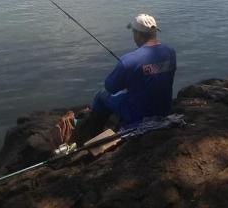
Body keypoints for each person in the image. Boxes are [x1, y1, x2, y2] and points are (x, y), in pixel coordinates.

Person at [73, 14, 177, 144]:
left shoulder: (129, 61)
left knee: (101, 95)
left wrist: (127, 73)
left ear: (137, 34)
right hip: (164, 110)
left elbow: (110, 87)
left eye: (133, 32)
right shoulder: (170, 52)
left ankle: (91, 128)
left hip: (138, 115)